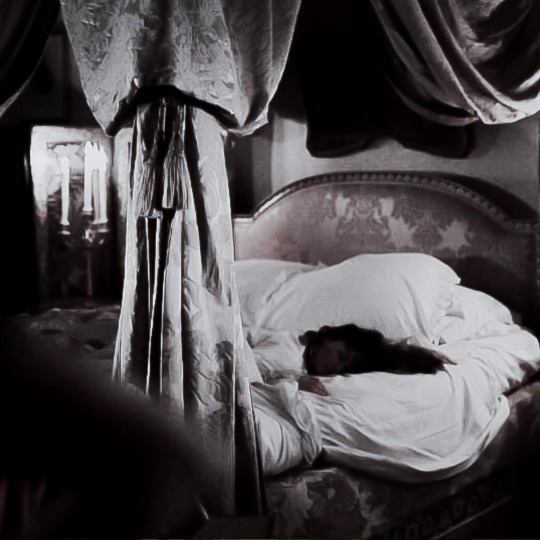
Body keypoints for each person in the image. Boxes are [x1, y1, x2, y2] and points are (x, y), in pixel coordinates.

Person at [297, 324, 454, 396]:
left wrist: (414, 351)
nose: (335, 367)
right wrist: (296, 380)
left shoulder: (308, 369)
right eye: (341, 355)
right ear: (330, 338)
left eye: (342, 370)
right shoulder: (293, 342)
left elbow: (386, 348)